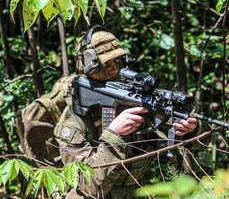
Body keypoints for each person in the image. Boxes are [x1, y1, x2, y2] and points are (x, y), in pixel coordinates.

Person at [54, 26, 206, 199]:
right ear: (90, 68)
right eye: (105, 65)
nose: (113, 70)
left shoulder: (134, 98)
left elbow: (198, 142)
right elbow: (87, 186)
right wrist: (114, 135)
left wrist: (191, 130)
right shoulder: (74, 119)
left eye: (117, 62)